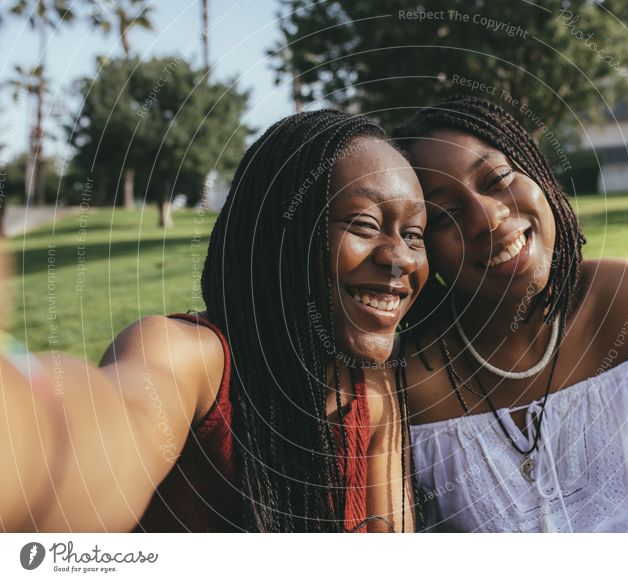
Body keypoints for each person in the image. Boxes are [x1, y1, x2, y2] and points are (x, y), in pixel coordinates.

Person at [0, 109, 428, 533]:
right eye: (363, 224)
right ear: (278, 231)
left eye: (413, 234)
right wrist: (31, 433)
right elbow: (109, 434)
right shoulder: (189, 359)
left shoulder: (372, 391)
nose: (400, 259)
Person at [392, 95, 628, 533]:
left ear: (537, 173)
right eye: (444, 214)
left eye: (498, 177)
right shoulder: (408, 382)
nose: (487, 217)